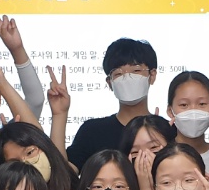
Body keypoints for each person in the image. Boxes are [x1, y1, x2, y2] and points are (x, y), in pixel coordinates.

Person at [67, 38, 157, 169]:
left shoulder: (167, 130)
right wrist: (60, 114)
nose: (127, 78)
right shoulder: (92, 131)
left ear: (152, 75)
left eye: (136, 71)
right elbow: (64, 176)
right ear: (110, 83)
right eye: (118, 73)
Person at [122, 113, 177, 190]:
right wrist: (145, 189)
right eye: (136, 152)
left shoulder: (183, 183)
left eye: (154, 148)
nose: (145, 157)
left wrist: (158, 183)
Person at [166, 71, 209, 174]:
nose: (193, 111)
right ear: (170, 111)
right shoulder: (162, 155)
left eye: (202, 104)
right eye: (184, 105)